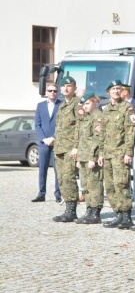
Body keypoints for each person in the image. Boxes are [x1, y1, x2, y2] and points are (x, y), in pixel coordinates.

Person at [99, 80, 135, 230]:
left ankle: (126, 215)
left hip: (120, 153)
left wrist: (128, 152)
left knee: (121, 184)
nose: (116, 91)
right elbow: (102, 133)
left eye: (118, 89)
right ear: (108, 92)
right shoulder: (106, 109)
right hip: (108, 153)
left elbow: (130, 131)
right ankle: (118, 214)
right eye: (113, 89)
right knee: (110, 186)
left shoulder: (127, 108)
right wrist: (101, 153)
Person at [52, 76, 80, 223]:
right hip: (60, 148)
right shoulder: (62, 105)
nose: (66, 88)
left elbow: (78, 127)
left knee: (69, 177)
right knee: (62, 178)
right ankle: (67, 209)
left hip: (70, 148)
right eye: (63, 86)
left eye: (69, 86)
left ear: (74, 88)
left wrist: (76, 146)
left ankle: (71, 210)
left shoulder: (77, 104)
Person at [74, 92, 104, 224]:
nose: (84, 106)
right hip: (84, 156)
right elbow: (82, 140)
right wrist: (79, 159)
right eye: (83, 104)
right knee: (86, 185)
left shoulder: (98, 117)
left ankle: (95, 212)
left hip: (92, 157)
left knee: (94, 185)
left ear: (94, 102)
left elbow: (97, 140)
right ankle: (89, 210)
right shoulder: (86, 118)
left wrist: (93, 157)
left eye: (87, 103)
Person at [33, 82, 61, 203]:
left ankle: (58, 194)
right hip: (44, 142)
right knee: (42, 168)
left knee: (57, 169)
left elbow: (63, 125)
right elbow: (37, 124)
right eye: (50, 91)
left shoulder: (61, 105)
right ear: (46, 92)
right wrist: (44, 138)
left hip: (57, 142)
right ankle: (41, 193)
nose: (52, 93)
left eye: (54, 91)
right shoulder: (40, 106)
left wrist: (54, 138)